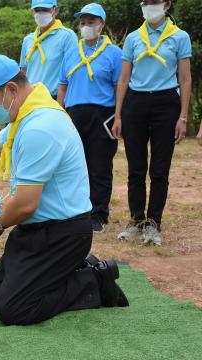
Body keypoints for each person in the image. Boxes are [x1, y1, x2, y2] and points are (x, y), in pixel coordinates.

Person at [0, 54, 128, 325]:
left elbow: (25, 204)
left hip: (62, 233)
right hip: (34, 229)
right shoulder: (24, 113)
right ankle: (67, 271)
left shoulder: (41, 126)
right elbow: (0, 145)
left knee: (13, 310)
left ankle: (93, 280)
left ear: (11, 90)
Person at [112, 0, 192, 245]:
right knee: (136, 168)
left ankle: (153, 223)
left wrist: (183, 116)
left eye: (154, 1)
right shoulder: (134, 38)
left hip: (166, 104)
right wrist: (118, 115)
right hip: (135, 103)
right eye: (144, 2)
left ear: (166, 4)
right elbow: (124, 79)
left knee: (159, 169)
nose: (148, 6)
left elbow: (186, 79)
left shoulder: (179, 37)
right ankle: (136, 220)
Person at [57, 3, 122, 233]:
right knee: (74, 165)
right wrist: (59, 113)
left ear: (101, 24)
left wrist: (119, 117)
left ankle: (98, 215)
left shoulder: (114, 53)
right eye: (83, 22)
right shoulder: (72, 52)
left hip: (103, 114)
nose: (86, 26)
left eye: (91, 22)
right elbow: (63, 87)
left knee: (99, 166)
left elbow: (119, 88)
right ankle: (77, 211)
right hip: (74, 114)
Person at [20, 0, 77, 98]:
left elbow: (73, 73)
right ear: (32, 12)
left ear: (55, 10)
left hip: (54, 98)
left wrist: (62, 104)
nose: (41, 13)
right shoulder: (28, 39)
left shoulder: (67, 36)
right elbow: (23, 72)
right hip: (30, 99)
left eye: (45, 9)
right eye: (37, 10)